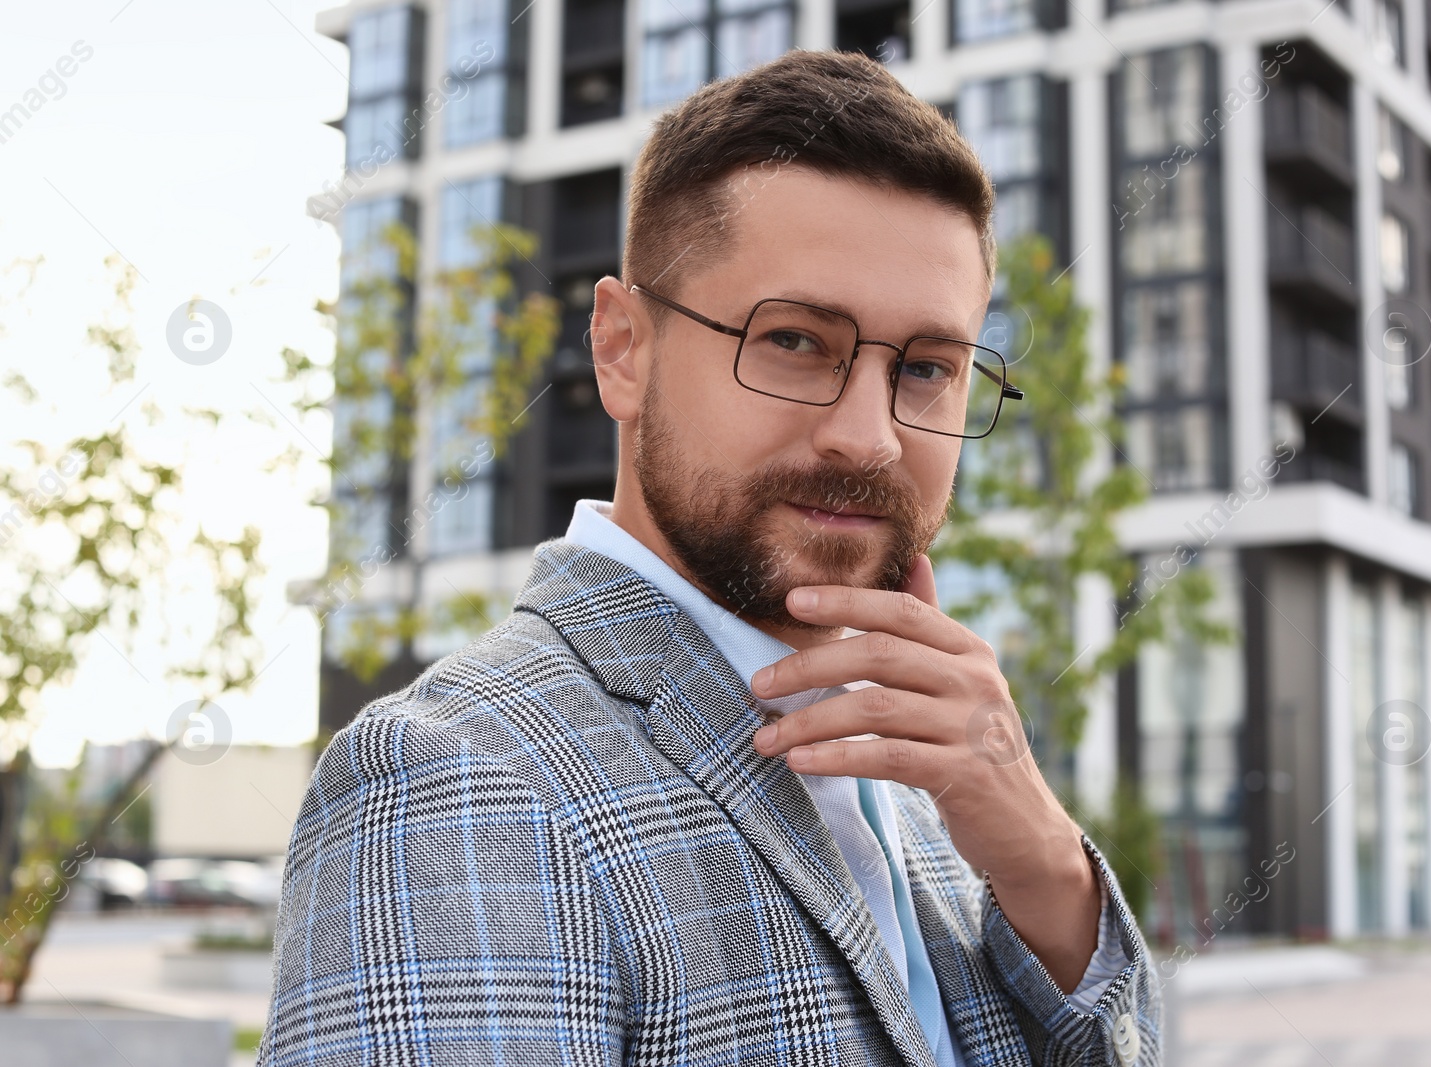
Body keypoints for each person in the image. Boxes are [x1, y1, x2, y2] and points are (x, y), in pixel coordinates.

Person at [260, 48, 1158, 1067]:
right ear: (622, 348)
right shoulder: (458, 778)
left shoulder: (939, 778)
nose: (866, 437)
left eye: (924, 367)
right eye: (794, 341)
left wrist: (1043, 861)